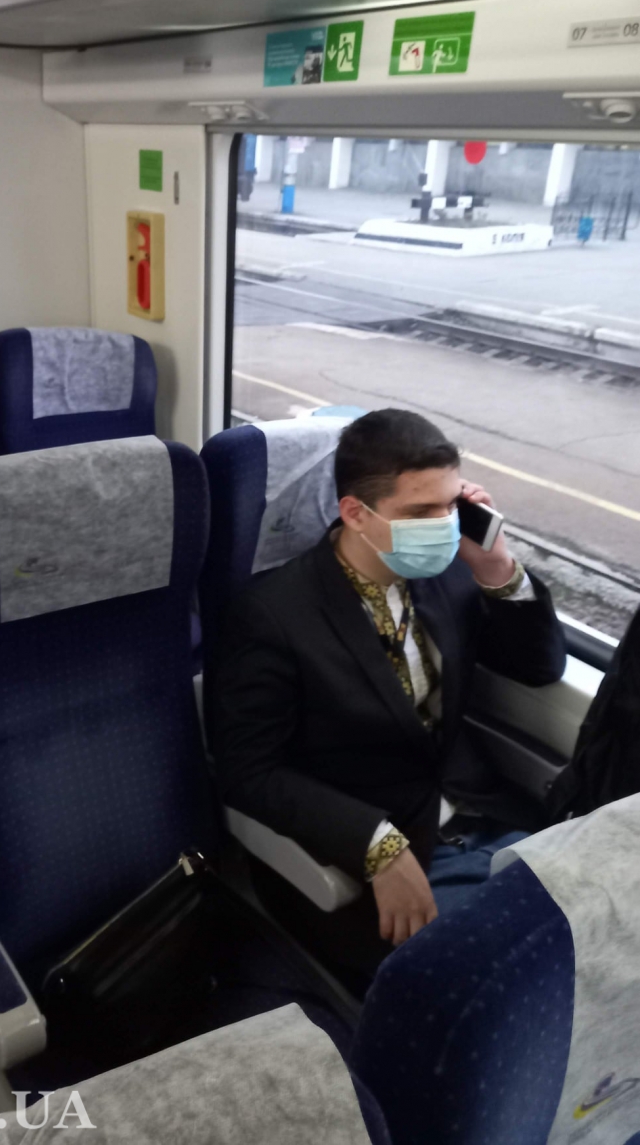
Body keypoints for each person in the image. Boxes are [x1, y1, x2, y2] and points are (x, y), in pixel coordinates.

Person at [211, 409, 566, 980]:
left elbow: (540, 666)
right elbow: (248, 771)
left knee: (597, 923)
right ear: (356, 513)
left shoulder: (450, 571)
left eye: (452, 505)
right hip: (376, 851)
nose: (444, 525)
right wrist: (378, 846)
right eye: (421, 512)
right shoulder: (272, 615)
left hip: (489, 816)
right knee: (518, 975)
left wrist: (496, 565)